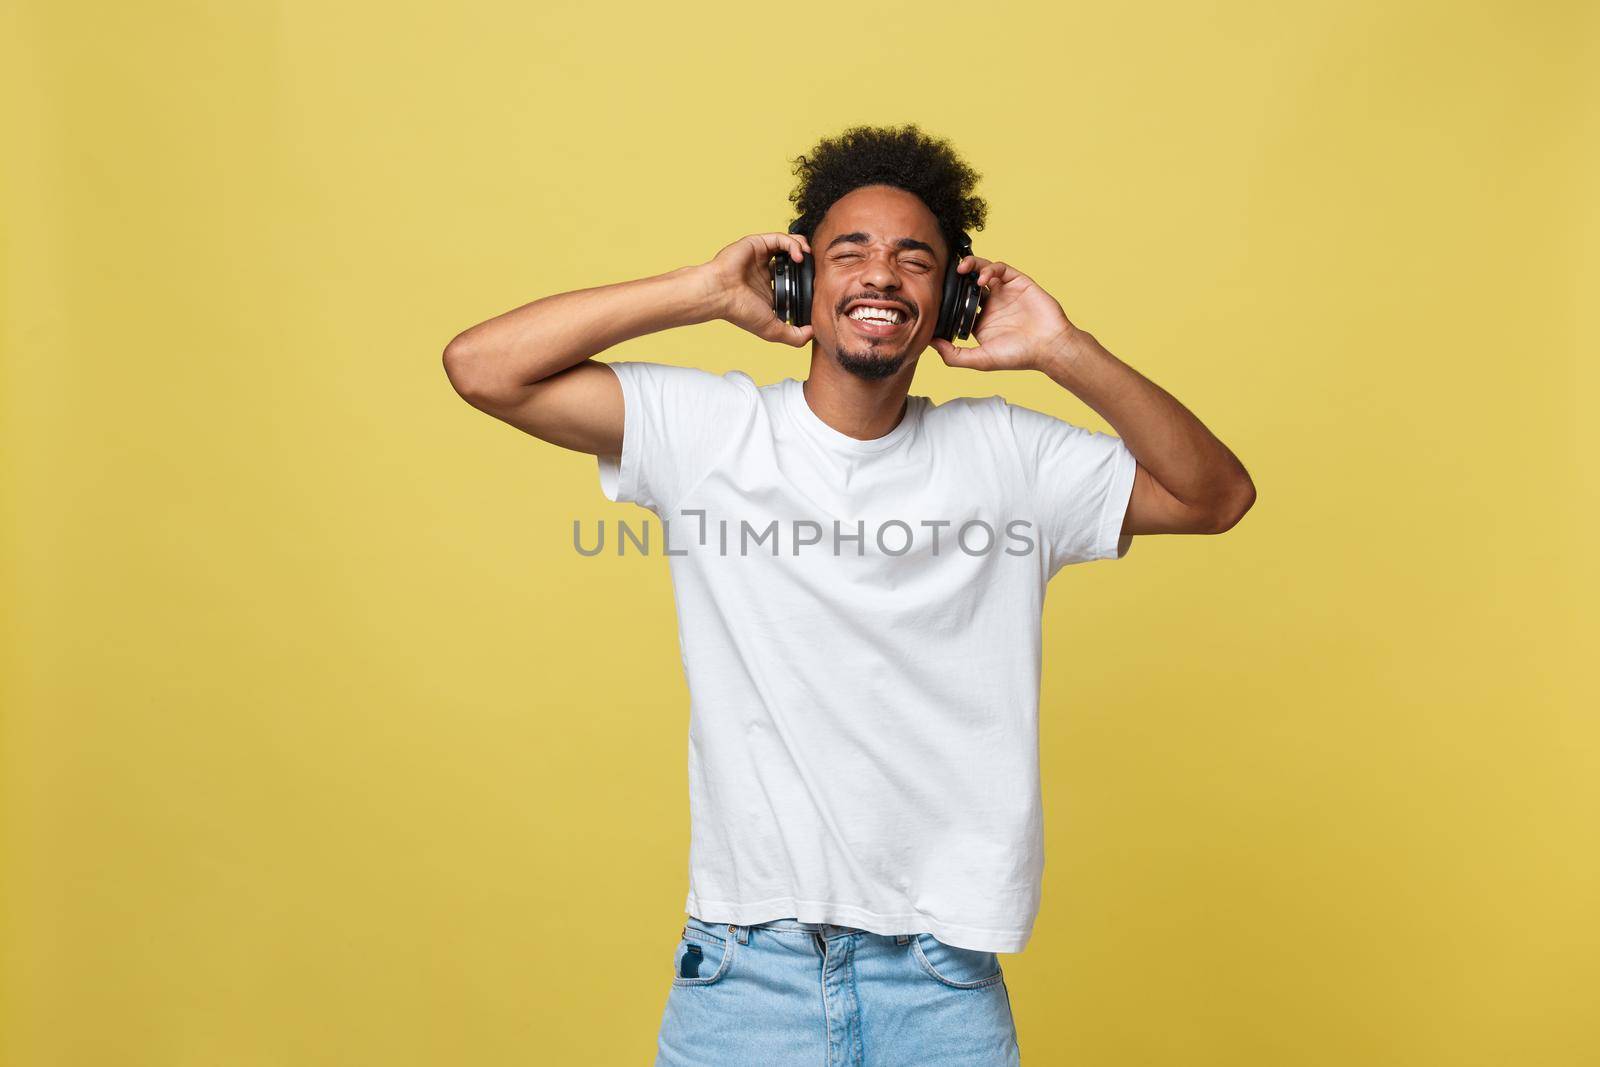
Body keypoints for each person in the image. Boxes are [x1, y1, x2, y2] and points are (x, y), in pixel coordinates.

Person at [443, 122, 1255, 1066]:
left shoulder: (1007, 455)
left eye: (916, 258)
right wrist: (702, 291)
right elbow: (481, 366)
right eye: (850, 252)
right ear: (800, 282)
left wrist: (1065, 349)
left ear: (952, 297)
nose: (881, 274)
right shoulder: (710, 433)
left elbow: (1216, 495)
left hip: (941, 983)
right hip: (744, 974)